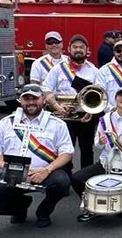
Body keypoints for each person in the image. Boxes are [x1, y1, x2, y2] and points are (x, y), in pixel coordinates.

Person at [0, 84, 73, 228]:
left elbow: (67, 153)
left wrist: (47, 169)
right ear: (20, 101)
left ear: (43, 100)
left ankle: (44, 211)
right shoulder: (6, 122)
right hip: (12, 172)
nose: (30, 102)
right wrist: (7, 167)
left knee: (62, 182)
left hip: (43, 173)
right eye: (26, 98)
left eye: (35, 98)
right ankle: (20, 206)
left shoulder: (57, 124)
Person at [73, 86, 122, 221]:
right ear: (115, 99)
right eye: (121, 96)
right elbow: (96, 144)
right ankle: (90, 204)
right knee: (76, 179)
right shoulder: (105, 119)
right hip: (106, 162)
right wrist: (101, 142)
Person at [42, 34, 100, 168]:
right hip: (63, 116)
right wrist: (57, 107)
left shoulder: (94, 71)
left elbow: (99, 94)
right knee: (65, 150)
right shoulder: (58, 69)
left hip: (86, 116)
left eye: (81, 47)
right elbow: (46, 87)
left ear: (87, 50)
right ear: (69, 48)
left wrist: (91, 112)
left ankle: (84, 180)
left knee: (87, 150)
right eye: (75, 47)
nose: (78, 49)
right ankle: (65, 179)